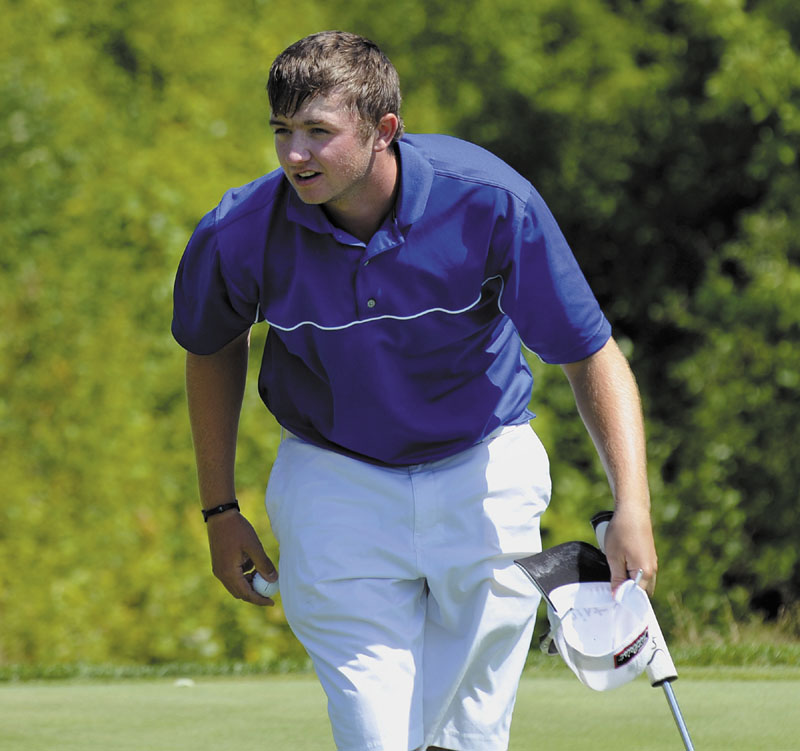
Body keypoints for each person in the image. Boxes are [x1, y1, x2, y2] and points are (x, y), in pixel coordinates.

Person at [171, 30, 657, 751]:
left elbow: (590, 354)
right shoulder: (241, 231)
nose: (294, 155)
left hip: (483, 467)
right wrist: (219, 508)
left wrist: (633, 506)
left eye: (317, 132)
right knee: (374, 734)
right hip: (334, 476)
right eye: (282, 131)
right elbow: (210, 348)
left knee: (469, 736)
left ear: (383, 130)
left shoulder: (491, 202)